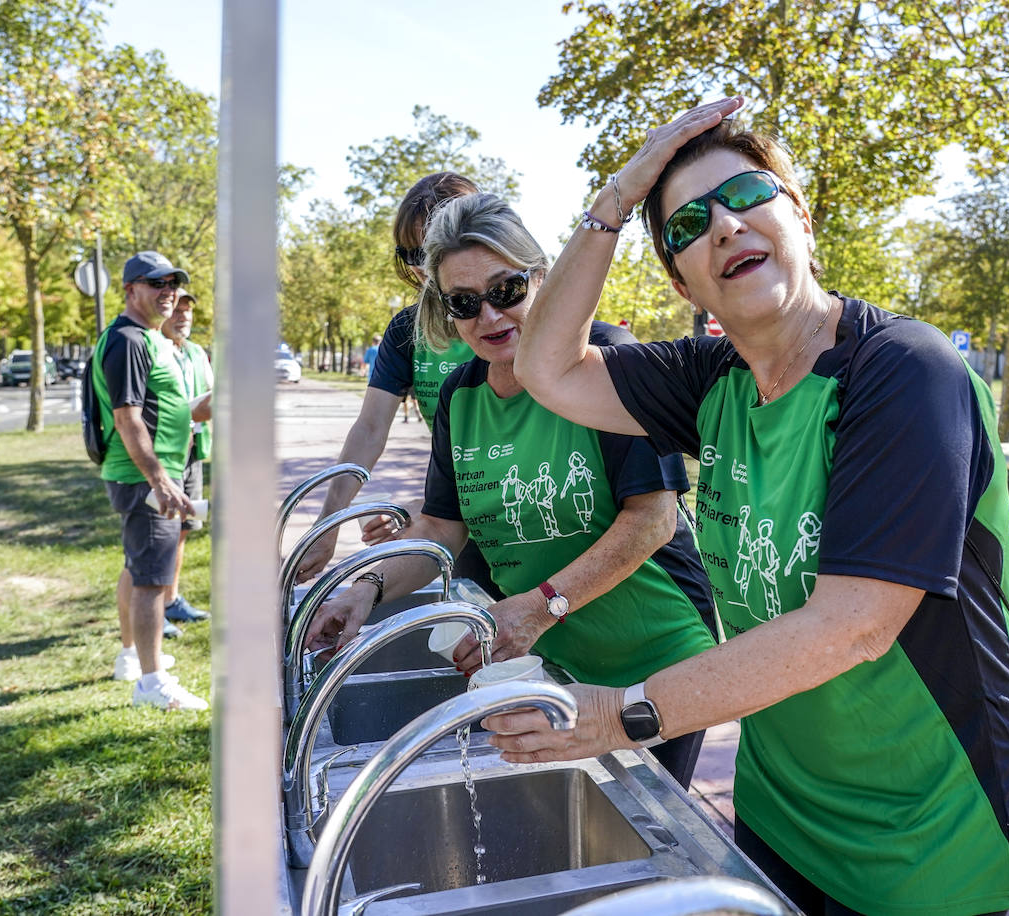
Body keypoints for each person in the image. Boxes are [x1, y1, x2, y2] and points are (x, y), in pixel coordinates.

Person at [494, 98, 1009, 915]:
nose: (722, 226)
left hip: (927, 832)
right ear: (684, 282)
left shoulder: (902, 371)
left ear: (803, 218)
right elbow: (548, 367)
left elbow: (852, 625)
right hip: (781, 807)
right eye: (686, 227)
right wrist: (617, 198)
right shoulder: (710, 380)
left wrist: (621, 715)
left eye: (747, 195)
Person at [307, 193, 719, 788]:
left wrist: (536, 606)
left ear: (543, 277)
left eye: (506, 291)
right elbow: (442, 529)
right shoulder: (461, 394)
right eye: (465, 304)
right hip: (548, 659)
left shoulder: (610, 364)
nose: (491, 318)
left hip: (655, 661)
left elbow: (652, 520)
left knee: (652, 826)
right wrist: (365, 590)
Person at [293, 172, 499, 599]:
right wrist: (328, 522)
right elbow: (369, 429)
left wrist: (424, 508)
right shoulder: (408, 330)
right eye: (411, 255)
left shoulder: (513, 319)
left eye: (433, 250)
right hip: (465, 527)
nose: (422, 269)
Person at [94, 250, 209, 711]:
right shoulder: (129, 340)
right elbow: (127, 418)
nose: (169, 292)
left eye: (174, 284)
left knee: (138, 566)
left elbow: (169, 410)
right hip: (146, 477)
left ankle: (133, 656)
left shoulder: (145, 337)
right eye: (157, 283)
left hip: (151, 474)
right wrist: (160, 480)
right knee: (151, 579)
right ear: (130, 290)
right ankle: (152, 682)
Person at [159, 288, 213, 626]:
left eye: (188, 311)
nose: (183, 317)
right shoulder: (156, 350)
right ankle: (153, 609)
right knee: (160, 533)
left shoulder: (196, 353)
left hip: (193, 452)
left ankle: (171, 599)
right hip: (166, 455)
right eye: (177, 310)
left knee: (182, 529)